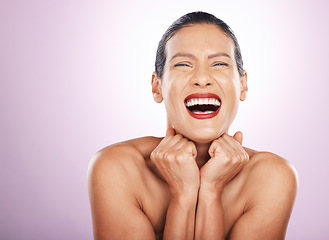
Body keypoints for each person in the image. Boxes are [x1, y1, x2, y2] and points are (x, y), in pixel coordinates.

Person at [87, 11, 298, 240]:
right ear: (157, 87)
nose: (202, 77)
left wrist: (211, 191)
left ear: (243, 84)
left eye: (219, 63)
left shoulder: (272, 177)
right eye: (183, 64)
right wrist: (183, 195)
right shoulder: (117, 169)